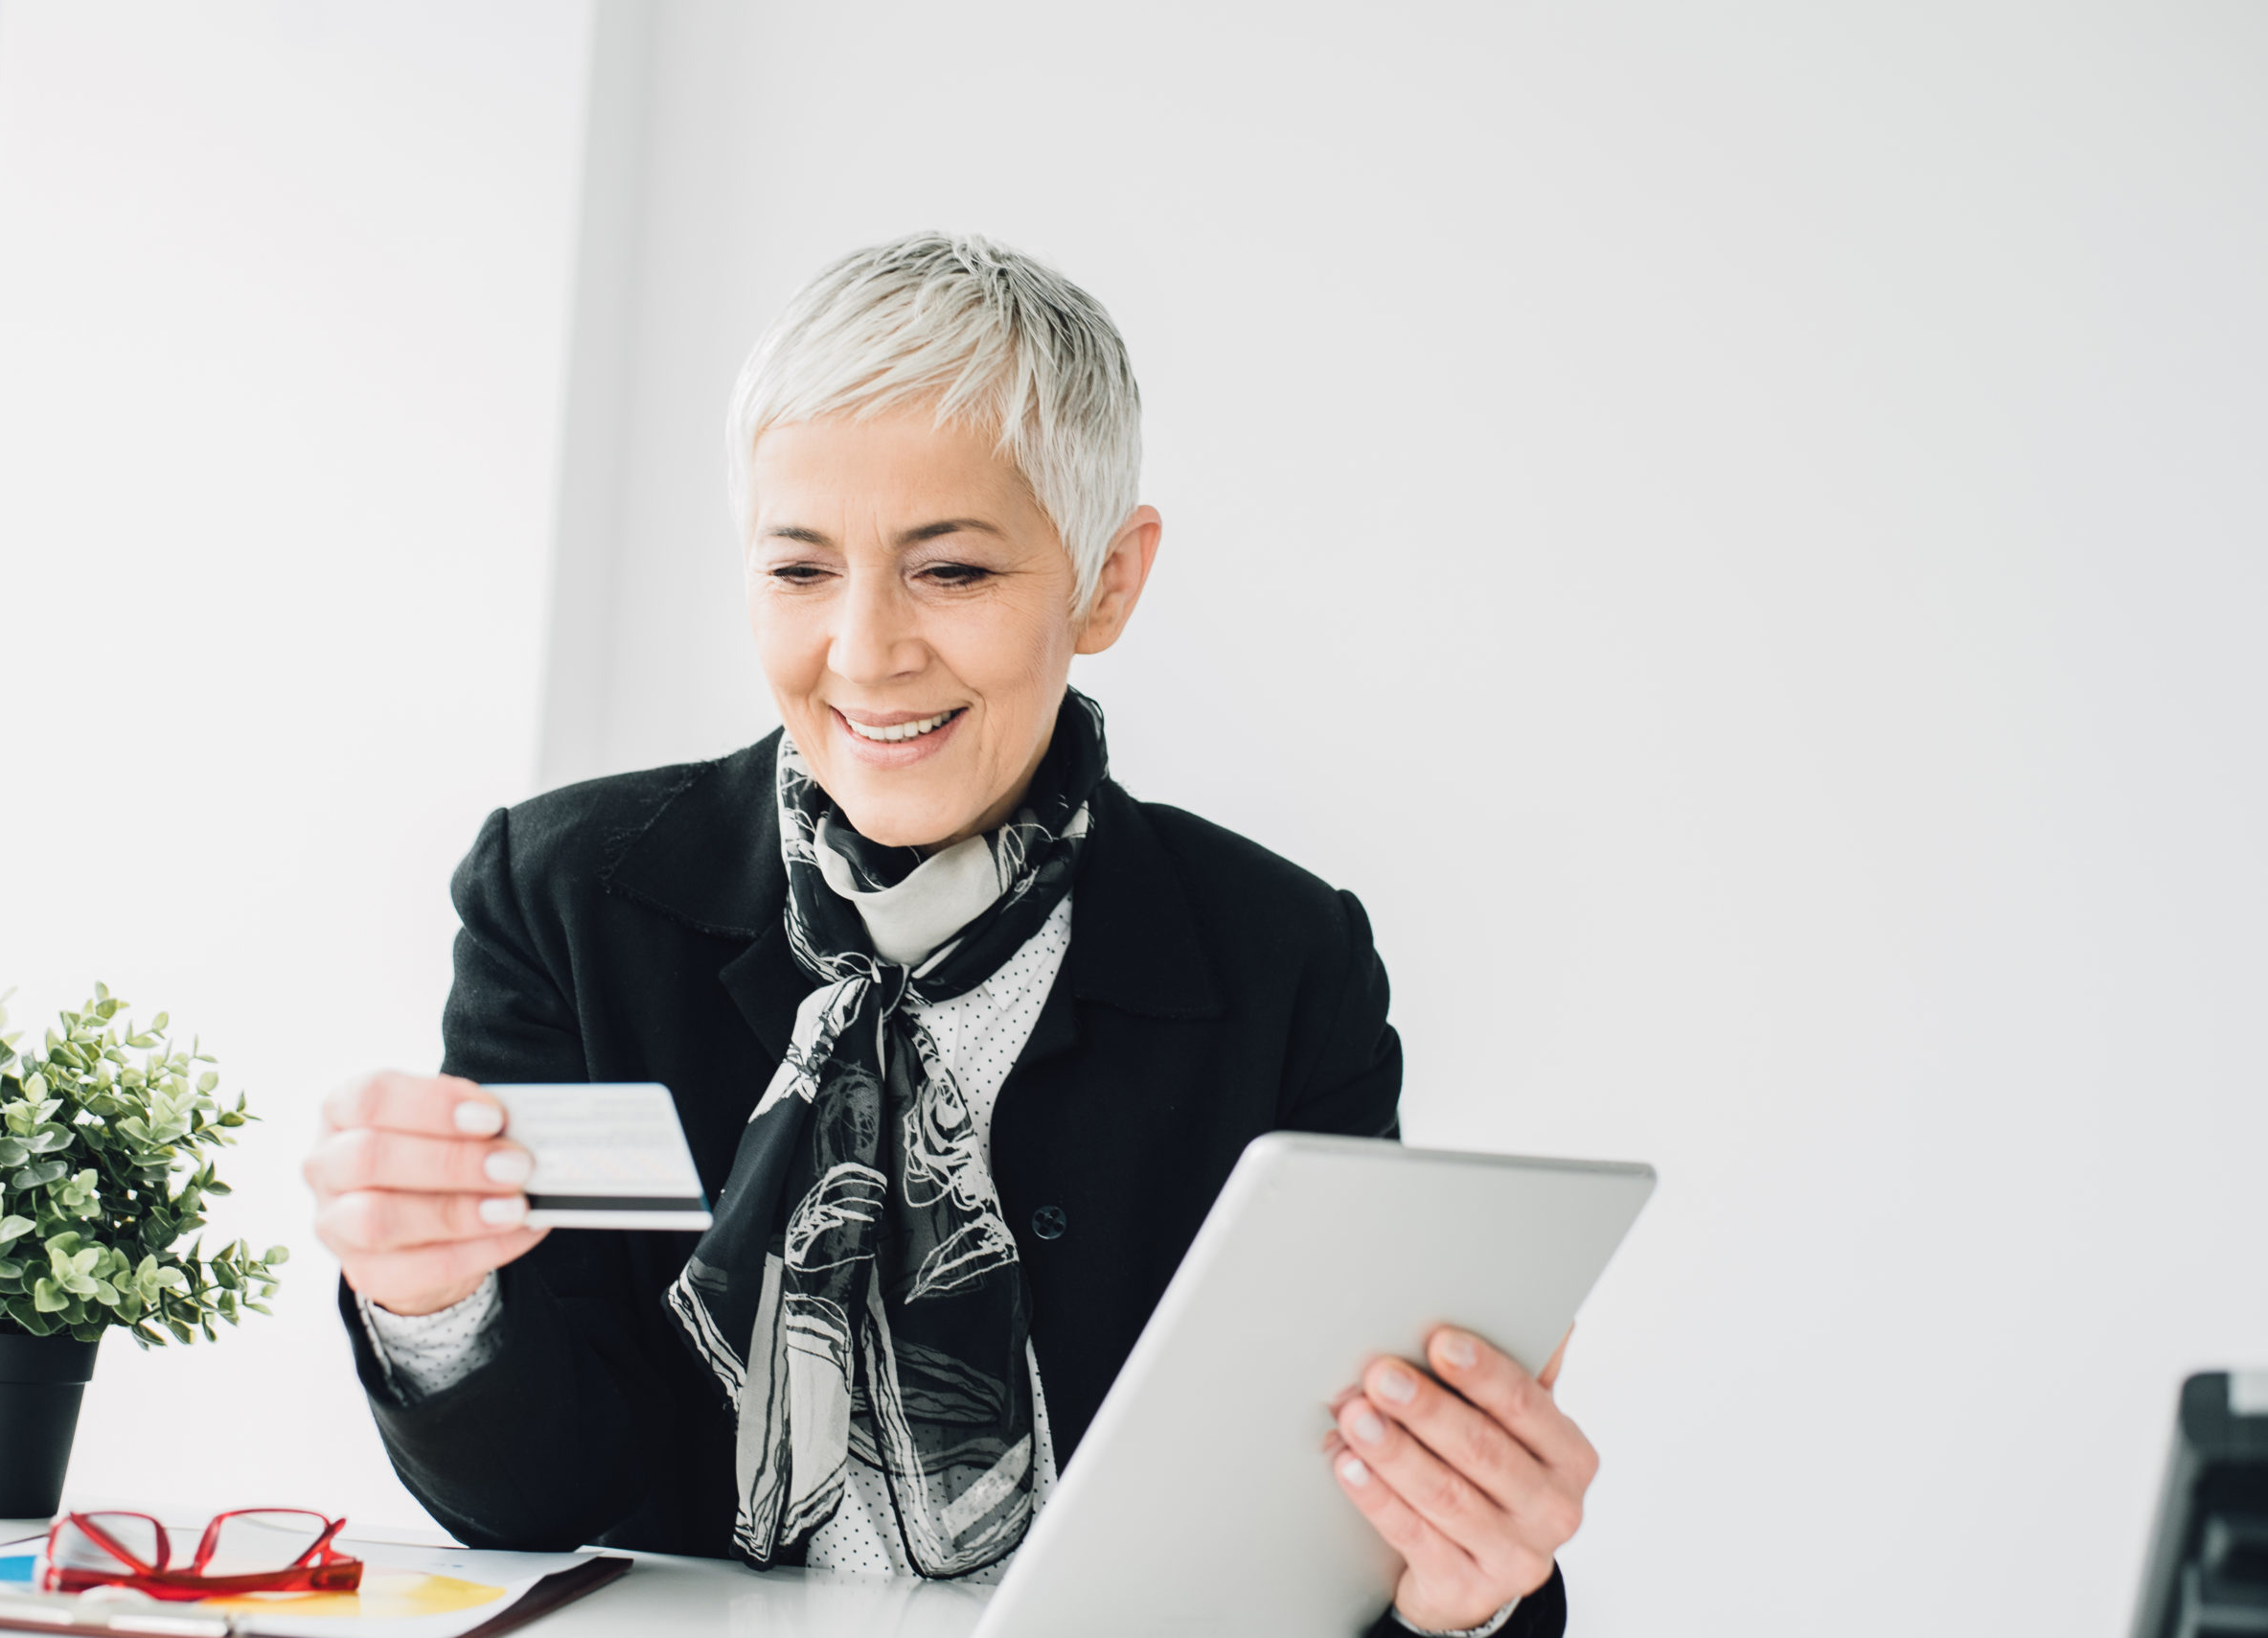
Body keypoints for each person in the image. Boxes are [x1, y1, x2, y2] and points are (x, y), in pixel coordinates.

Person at [303, 233, 1597, 1637]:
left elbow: (1333, 1541)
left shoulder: (1284, 962)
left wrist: (1464, 1590)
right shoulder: (562, 900)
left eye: (954, 572)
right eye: (800, 571)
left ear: (1105, 579)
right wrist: (430, 1302)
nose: (865, 650)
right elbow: (537, 1499)